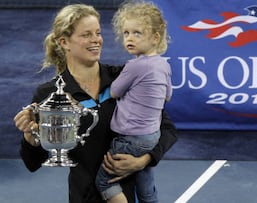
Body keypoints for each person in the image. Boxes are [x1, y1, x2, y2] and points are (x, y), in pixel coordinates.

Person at [13, 4, 177, 203]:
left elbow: (166, 128)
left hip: (130, 194)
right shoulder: (50, 94)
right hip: (84, 197)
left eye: (98, 33)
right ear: (64, 42)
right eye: (86, 35)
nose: (96, 40)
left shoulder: (122, 77)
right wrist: (31, 136)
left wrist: (143, 160)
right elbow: (32, 163)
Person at [95, 1, 172, 203]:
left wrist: (93, 100)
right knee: (144, 183)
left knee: (104, 181)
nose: (129, 38)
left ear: (155, 38)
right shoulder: (163, 65)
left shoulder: (134, 66)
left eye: (137, 33)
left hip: (132, 138)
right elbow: (167, 96)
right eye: (126, 33)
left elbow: (114, 91)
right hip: (152, 136)